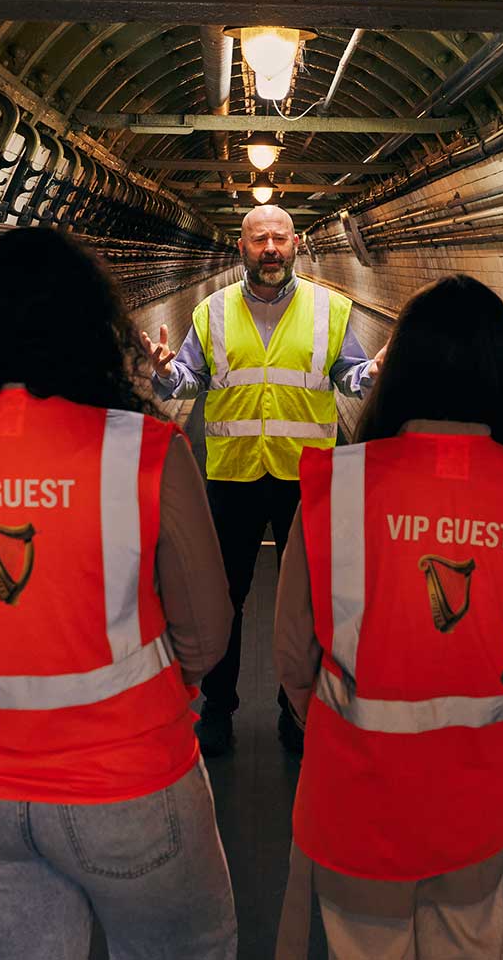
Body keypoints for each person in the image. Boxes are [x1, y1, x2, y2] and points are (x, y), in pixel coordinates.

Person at [0, 228, 238, 960]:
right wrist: (170, 681)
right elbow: (207, 632)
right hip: (130, 785)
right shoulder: (142, 450)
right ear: (90, 328)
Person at [275, 275, 503, 959]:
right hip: (480, 804)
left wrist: (328, 713)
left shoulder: (338, 484)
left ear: (400, 370)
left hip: (355, 801)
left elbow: (293, 654)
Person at [141, 203, 384, 757]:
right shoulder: (213, 312)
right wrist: (163, 371)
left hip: (308, 475)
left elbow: (347, 378)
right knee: (226, 599)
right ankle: (218, 710)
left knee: (309, 602)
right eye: (258, 240)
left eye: (279, 238)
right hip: (232, 474)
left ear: (296, 243)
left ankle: (294, 709)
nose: (270, 249)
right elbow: (186, 380)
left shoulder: (331, 309)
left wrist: (368, 373)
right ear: (240, 248)